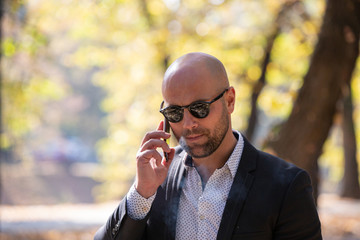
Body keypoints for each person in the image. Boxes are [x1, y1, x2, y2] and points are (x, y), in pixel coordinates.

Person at [94, 52, 322, 240]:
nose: (188, 124)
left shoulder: (287, 186)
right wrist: (141, 193)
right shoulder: (155, 181)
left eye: (199, 108)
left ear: (230, 100)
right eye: (175, 112)